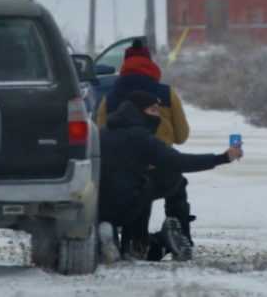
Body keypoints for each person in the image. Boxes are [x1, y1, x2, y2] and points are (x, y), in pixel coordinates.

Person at [97, 91, 243, 262]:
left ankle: (107, 238)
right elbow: (176, 161)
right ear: (137, 111)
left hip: (96, 206)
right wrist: (223, 158)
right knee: (144, 184)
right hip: (127, 204)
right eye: (153, 110)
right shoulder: (142, 137)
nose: (158, 115)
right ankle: (134, 244)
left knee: (125, 186)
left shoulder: (101, 134)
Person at [96, 39, 197, 253]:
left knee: (128, 193)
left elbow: (100, 141)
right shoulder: (167, 94)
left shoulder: (109, 99)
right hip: (162, 175)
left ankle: (116, 238)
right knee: (176, 181)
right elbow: (181, 136)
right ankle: (179, 234)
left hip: (122, 180)